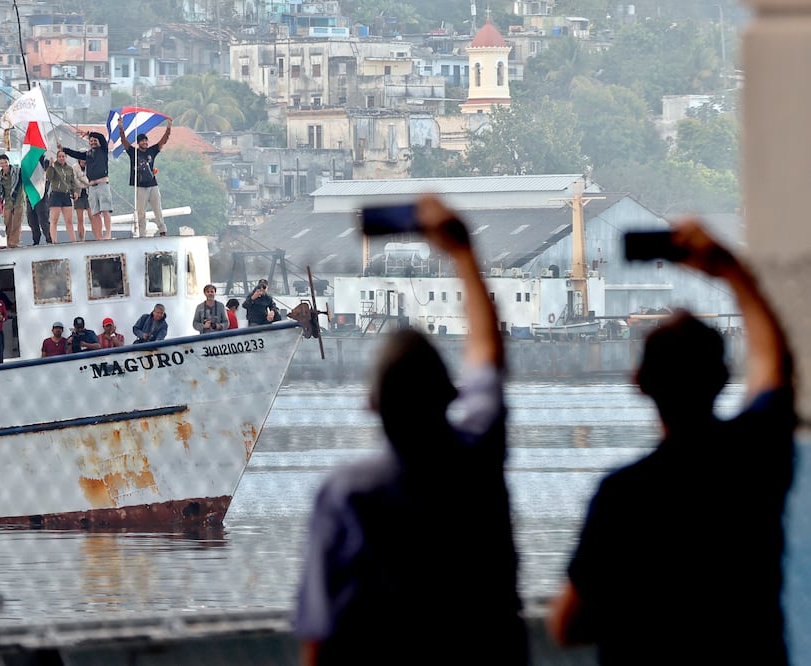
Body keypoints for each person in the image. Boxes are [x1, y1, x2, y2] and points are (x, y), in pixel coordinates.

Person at [547, 220, 796, 665]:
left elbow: (566, 626)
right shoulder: (755, 461)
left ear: (640, 382)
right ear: (723, 377)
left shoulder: (622, 496)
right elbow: (775, 366)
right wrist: (731, 270)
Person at [294, 195, 527, 666]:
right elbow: (487, 357)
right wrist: (463, 253)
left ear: (372, 404)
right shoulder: (477, 459)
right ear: (449, 394)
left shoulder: (347, 495)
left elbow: (321, 638)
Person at [119, 119, 172, 237]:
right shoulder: (133, 152)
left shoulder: (152, 151)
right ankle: (142, 234)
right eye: (142, 141)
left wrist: (169, 126)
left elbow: (164, 140)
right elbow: (124, 141)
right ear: (138, 143)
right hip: (140, 187)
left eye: (145, 140)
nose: (144, 142)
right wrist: (121, 127)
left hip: (153, 185)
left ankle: (162, 230)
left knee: (157, 209)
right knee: (141, 212)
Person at [60, 130, 111, 239]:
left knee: (105, 210)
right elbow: (76, 154)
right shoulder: (88, 154)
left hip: (102, 184)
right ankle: (98, 236)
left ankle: (108, 233)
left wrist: (89, 134)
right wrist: (64, 149)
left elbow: (101, 136)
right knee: (95, 213)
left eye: (94, 140)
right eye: (91, 141)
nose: (92, 142)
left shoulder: (103, 150)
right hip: (92, 187)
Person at [46, 150, 80, 243]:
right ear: (57, 157)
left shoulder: (69, 169)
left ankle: (73, 241)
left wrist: (75, 192)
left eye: (63, 156)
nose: (61, 158)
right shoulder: (54, 166)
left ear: (66, 157)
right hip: (56, 194)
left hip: (66, 195)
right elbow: (49, 177)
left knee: (69, 220)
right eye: (60, 156)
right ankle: (54, 241)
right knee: (54, 220)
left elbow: (72, 182)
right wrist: (50, 167)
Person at [0, 154, 25, 248]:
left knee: (17, 223)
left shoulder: (16, 172)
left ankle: (14, 243)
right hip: (7, 202)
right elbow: (0, 192)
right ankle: (9, 242)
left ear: (8, 162)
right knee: (8, 223)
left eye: (5, 163)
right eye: (2, 163)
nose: (4, 165)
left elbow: (24, 175)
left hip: (18, 200)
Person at [72, 158, 92, 241]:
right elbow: (75, 181)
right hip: (79, 194)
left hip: (90, 194)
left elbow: (91, 180)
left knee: (93, 217)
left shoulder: (91, 166)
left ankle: (98, 236)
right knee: (80, 219)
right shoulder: (74, 167)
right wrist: (86, 183)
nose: (84, 161)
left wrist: (82, 178)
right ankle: (81, 239)